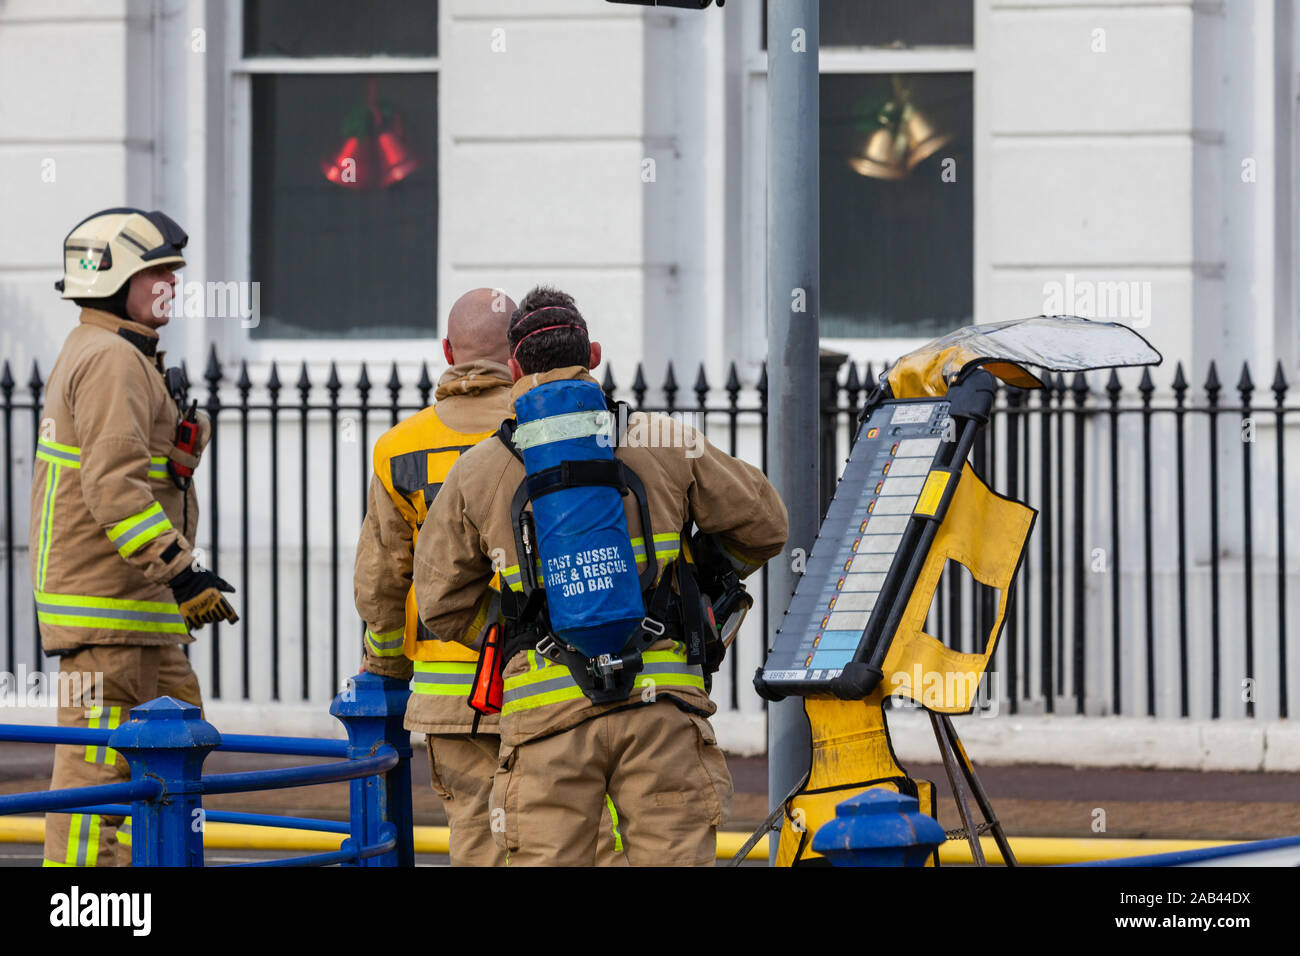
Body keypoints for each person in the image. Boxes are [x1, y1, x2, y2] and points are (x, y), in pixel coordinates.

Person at [413, 285, 788, 866]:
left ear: (514, 367)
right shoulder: (664, 440)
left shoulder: (479, 470)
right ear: (593, 355)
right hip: (661, 704)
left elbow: (438, 600)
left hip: (545, 718)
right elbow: (767, 526)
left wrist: (523, 630)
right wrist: (705, 586)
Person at [354, 288, 625, 866]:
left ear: (447, 350)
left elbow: (383, 577)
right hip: (558, 675)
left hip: (454, 695)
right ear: (517, 356)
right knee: (580, 839)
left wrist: (383, 666)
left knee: (481, 840)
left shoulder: (398, 448)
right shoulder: (554, 425)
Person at [34, 207, 238, 867]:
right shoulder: (112, 360)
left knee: (174, 767)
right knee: (96, 795)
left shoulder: (120, 356)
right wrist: (184, 572)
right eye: (158, 275)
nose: (172, 287)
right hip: (109, 627)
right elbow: (113, 488)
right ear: (117, 280)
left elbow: (133, 478)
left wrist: (177, 455)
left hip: (139, 619)